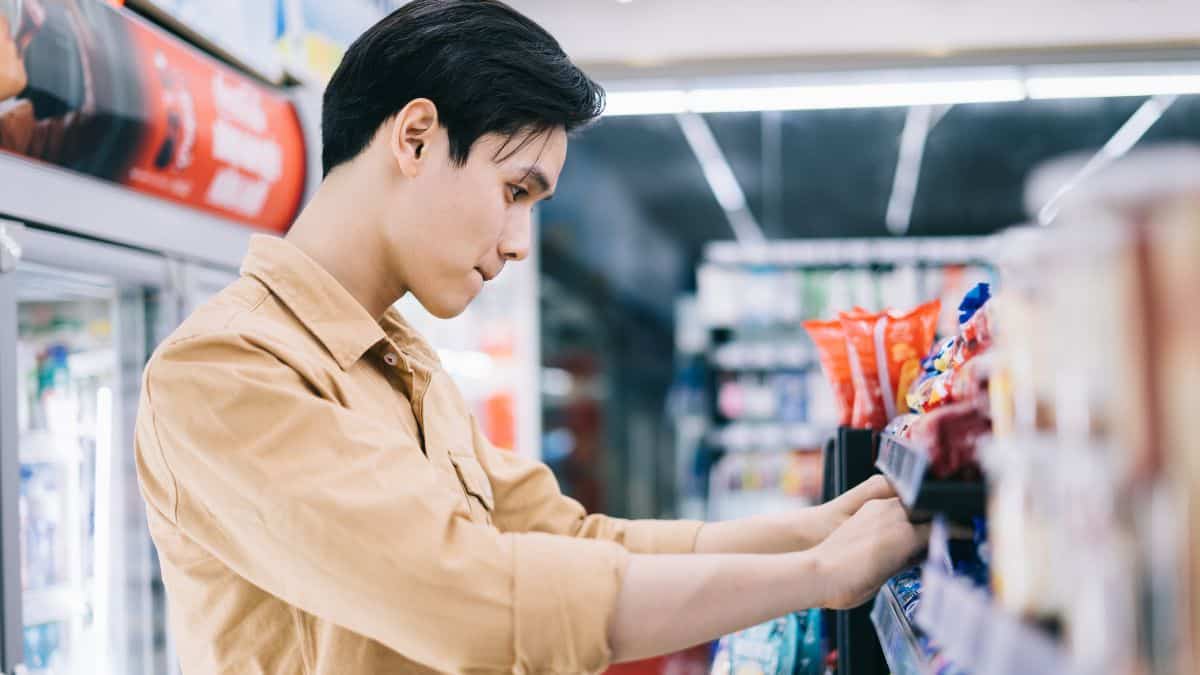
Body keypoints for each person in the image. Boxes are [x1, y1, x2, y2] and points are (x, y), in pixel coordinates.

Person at [133, 1, 928, 673]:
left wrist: (813, 527)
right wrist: (818, 574)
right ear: (414, 138)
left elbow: (570, 536)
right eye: (514, 191)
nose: (518, 241)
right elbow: (465, 597)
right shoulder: (225, 371)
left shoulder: (402, 363)